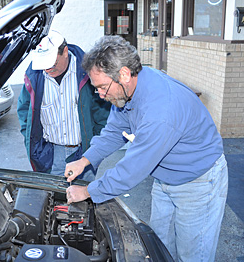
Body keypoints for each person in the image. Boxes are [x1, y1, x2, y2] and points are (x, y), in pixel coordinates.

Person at [65, 35, 228, 261]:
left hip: (198, 183)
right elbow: (114, 131)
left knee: (193, 255)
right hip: (165, 179)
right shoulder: (128, 90)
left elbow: (133, 168)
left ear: (123, 73)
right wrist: (85, 160)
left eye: (102, 87)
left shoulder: (161, 110)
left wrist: (88, 191)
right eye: (97, 89)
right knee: (159, 246)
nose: (100, 95)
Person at [17, 30, 111, 181]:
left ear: (65, 51)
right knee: (52, 200)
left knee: (82, 199)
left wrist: (94, 145)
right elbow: (24, 111)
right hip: (51, 154)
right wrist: (33, 140)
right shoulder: (35, 76)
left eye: (52, 64)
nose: (48, 70)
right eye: (44, 65)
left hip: (84, 150)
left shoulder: (89, 73)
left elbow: (103, 113)